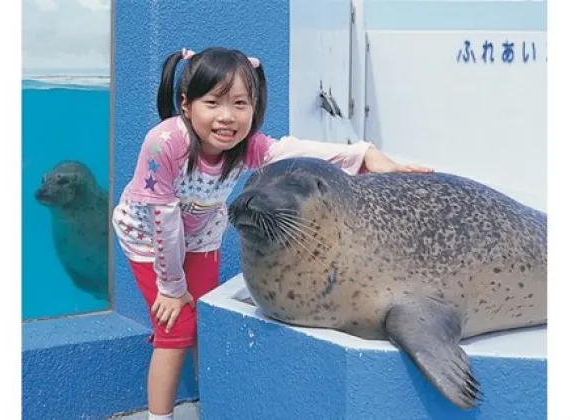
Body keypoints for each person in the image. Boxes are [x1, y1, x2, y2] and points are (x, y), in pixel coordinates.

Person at [112, 46, 433, 420]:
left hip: (201, 236)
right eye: (213, 102)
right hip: (149, 239)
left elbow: (292, 151)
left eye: (240, 103)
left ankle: (212, 405)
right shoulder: (163, 144)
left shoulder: (246, 146)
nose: (227, 117)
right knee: (176, 327)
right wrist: (170, 288)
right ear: (186, 104)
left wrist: (365, 155)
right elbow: (163, 218)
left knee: (204, 320)